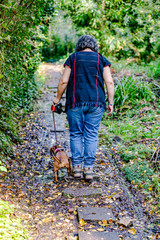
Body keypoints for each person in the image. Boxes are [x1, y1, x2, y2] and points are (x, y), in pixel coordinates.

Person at [53, 35, 114, 181]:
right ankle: (89, 169)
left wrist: (57, 99)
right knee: (91, 135)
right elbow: (109, 82)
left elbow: (64, 81)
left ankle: (77, 169)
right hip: (96, 103)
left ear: (79, 46)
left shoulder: (73, 58)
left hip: (75, 102)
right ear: (94, 46)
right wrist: (110, 102)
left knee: (76, 134)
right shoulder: (101, 59)